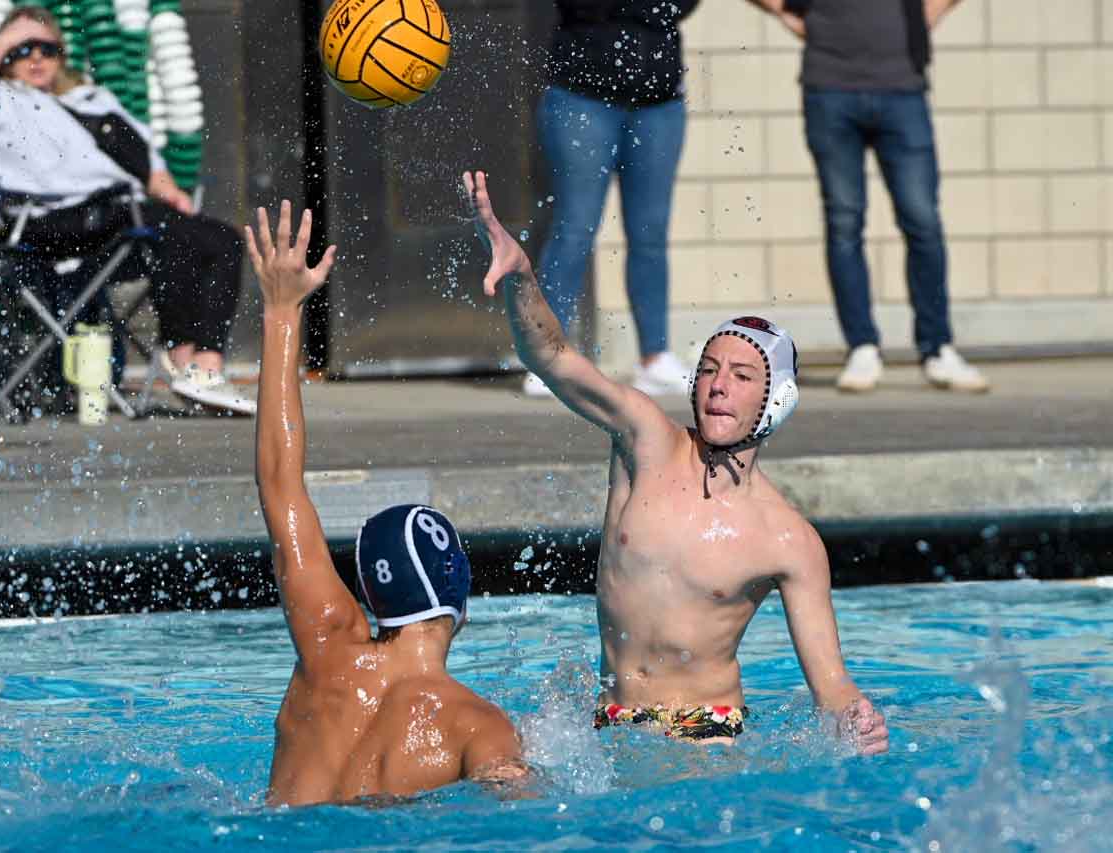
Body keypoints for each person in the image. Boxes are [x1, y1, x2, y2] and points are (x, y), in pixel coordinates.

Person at [464, 169, 889, 753]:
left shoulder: (788, 540)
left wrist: (857, 725)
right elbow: (555, 359)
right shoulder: (646, 442)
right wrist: (523, 278)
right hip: (608, 721)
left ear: (776, 401)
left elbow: (832, 689)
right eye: (709, 370)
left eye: (742, 377)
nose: (719, 386)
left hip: (707, 732)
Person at [248, 200, 526, 805]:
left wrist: (281, 310)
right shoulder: (476, 726)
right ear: (462, 598)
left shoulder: (327, 645)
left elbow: (279, 482)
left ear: (368, 597)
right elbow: (526, 815)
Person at [0, 5, 254, 414]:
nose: (36, 58)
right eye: (24, 49)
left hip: (115, 219)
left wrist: (169, 189)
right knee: (165, 232)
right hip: (50, 224)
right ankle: (184, 359)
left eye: (46, 49)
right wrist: (5, 39)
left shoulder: (90, 98)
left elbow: (144, 153)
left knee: (220, 238)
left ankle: (206, 366)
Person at [749, 0, 987, 394]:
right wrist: (784, 12)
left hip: (902, 88)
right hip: (830, 89)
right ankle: (862, 346)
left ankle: (937, 348)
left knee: (922, 220)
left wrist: (929, 14)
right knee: (845, 221)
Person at [525, 0, 700, 399]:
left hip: (659, 102)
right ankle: (548, 358)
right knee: (575, 227)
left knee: (651, 235)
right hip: (582, 97)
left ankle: (655, 358)